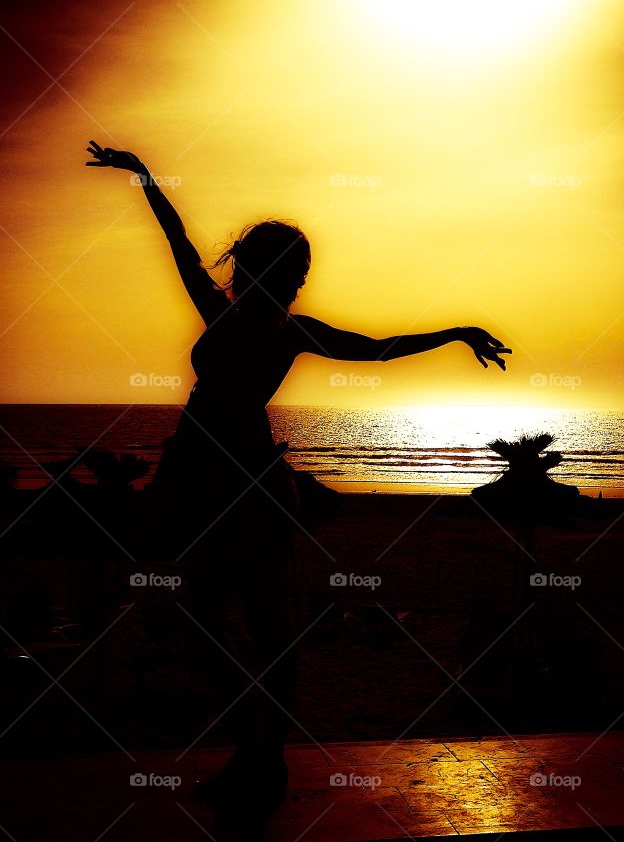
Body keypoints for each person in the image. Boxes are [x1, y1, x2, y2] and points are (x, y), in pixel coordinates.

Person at [86, 142, 511, 833]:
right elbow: (378, 345)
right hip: (228, 476)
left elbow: (379, 345)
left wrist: (147, 179)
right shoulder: (278, 326)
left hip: (226, 479)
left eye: (272, 268)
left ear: (259, 270)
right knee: (236, 625)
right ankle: (261, 752)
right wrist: (145, 179)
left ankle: (262, 754)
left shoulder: (249, 320)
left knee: (235, 624)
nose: (278, 279)